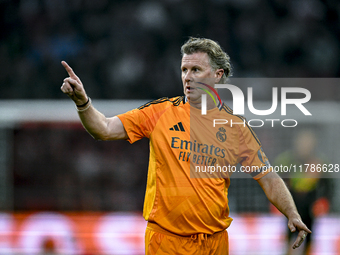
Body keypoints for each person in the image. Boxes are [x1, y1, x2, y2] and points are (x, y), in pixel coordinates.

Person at [60, 37, 311, 254]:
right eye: (184, 70)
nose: (187, 77)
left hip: (214, 242)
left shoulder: (235, 127)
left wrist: (293, 213)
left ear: (217, 74)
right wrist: (83, 102)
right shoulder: (160, 113)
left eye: (196, 70)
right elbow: (103, 129)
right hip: (167, 241)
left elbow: (268, 177)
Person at [274, 130, 331, 255]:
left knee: (309, 236)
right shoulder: (286, 160)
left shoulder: (319, 161)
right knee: (289, 235)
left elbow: (328, 185)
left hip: (310, 205)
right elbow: (275, 181)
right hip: (291, 204)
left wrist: (324, 201)